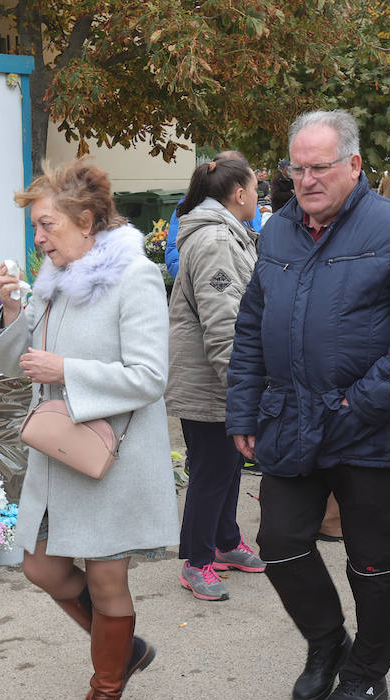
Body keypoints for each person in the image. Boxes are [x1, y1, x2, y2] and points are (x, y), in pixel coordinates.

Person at [226, 109, 390, 700]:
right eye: (298, 167)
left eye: (320, 167)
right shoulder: (279, 233)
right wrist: (243, 408)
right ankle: (327, 644)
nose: (306, 179)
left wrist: (359, 404)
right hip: (290, 419)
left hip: (366, 428)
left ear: (353, 165)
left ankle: (369, 674)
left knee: (373, 559)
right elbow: (250, 328)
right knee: (281, 542)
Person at [0, 158, 179, 700]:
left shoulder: (135, 278)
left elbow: (149, 376)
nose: (37, 239)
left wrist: (67, 371)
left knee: (104, 576)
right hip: (56, 449)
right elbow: (18, 361)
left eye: (46, 226)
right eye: (36, 228)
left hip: (107, 453)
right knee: (41, 567)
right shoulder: (53, 275)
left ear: (86, 222)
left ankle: (105, 696)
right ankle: (123, 649)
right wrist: (13, 310)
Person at [166, 154, 267, 601]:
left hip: (219, 380)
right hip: (212, 382)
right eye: (256, 189)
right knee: (211, 470)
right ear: (239, 194)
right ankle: (196, 560)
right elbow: (224, 322)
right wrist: (242, 390)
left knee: (228, 467)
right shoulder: (215, 242)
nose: (260, 197)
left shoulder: (229, 235)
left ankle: (225, 542)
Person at [164, 150, 263, 279]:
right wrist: (196, 276)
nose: (256, 194)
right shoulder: (193, 206)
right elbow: (175, 257)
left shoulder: (249, 206)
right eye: (253, 188)